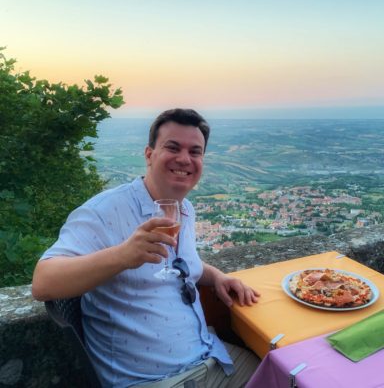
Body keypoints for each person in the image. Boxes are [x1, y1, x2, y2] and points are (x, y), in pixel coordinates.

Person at [32, 108, 261, 388]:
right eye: (172, 147)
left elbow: (184, 265)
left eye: (195, 151)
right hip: (157, 381)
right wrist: (122, 256)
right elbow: (43, 283)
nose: (184, 159)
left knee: (287, 371)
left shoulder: (184, 208)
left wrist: (219, 278)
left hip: (209, 358)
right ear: (149, 154)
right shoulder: (104, 212)